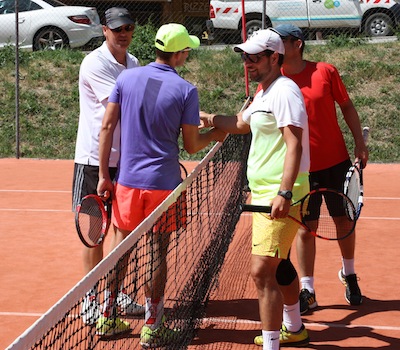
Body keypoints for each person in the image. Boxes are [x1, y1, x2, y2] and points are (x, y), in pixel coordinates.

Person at [96, 23, 227, 345]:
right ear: (180, 53)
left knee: (121, 250)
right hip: (163, 187)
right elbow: (193, 145)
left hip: (126, 182)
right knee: (156, 252)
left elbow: (107, 127)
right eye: (188, 50)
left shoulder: (126, 78)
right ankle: (153, 325)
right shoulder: (185, 90)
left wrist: (103, 175)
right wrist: (218, 133)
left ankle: (107, 316)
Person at [200, 28, 310, 350]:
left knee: (261, 272)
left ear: (274, 58)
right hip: (263, 193)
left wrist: (285, 192)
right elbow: (241, 123)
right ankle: (294, 328)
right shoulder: (263, 92)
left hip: (280, 194)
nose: (247, 62)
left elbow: (294, 145)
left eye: (254, 57)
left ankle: (271, 345)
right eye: (245, 57)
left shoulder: (284, 91)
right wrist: (209, 119)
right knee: (279, 264)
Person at [271, 24, 369, 315]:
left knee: (343, 221)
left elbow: (347, 107)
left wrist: (359, 143)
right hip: (300, 168)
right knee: (306, 228)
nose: (275, 46)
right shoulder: (274, 79)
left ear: (296, 43)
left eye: (281, 41)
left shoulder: (325, 71)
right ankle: (308, 289)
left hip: (335, 161)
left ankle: (349, 273)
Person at [72, 7, 144, 328]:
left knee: (123, 232)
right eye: (117, 29)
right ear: (105, 30)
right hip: (93, 161)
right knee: (94, 235)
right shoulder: (95, 63)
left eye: (128, 27)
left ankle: (113, 296)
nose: (123, 33)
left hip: (126, 161)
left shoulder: (134, 64)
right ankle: (89, 298)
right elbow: (122, 108)